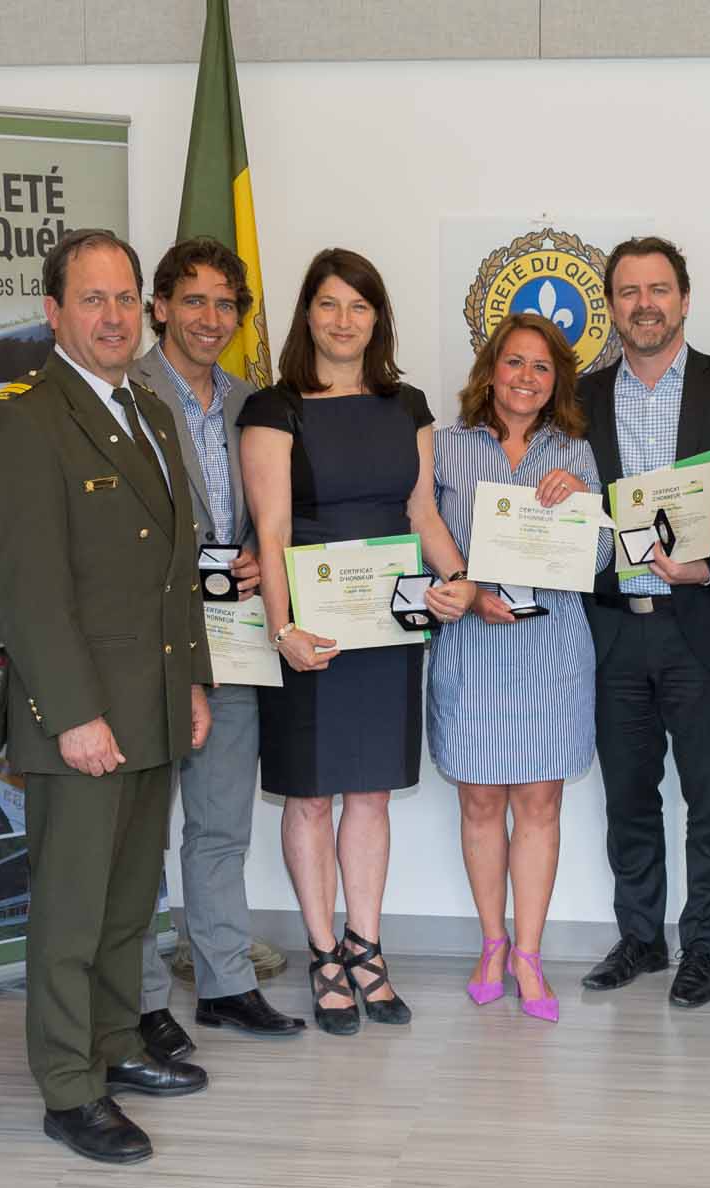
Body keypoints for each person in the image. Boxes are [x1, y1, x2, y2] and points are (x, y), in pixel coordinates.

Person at [0, 228, 214, 1165]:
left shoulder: (149, 410)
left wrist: (190, 678)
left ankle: (114, 1044)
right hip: (82, 713)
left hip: (149, 700)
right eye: (92, 300)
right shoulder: (24, 420)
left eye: (124, 299)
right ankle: (69, 1087)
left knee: (125, 903)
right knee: (71, 910)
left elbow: (174, 570)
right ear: (54, 312)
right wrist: (71, 713)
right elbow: (28, 587)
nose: (112, 317)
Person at [241, 247, 476, 1035]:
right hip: (310, 624)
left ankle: (366, 947)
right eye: (330, 304)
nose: (344, 321)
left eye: (360, 306)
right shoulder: (274, 409)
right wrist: (283, 631)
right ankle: (320, 953)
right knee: (308, 795)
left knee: (371, 793)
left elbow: (421, 514)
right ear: (307, 313)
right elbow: (271, 532)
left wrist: (461, 580)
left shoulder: (406, 404)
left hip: (387, 627)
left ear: (378, 318)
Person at [577, 236, 710, 1009]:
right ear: (612, 306)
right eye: (628, 291)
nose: (645, 304)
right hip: (614, 628)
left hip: (704, 622)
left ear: (685, 298)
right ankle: (640, 936)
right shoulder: (584, 396)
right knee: (629, 795)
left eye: (659, 289)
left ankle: (702, 946)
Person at [129, 236, 304, 1057]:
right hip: (141, 648)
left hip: (231, 644)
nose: (210, 318)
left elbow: (270, 513)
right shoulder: (119, 392)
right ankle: (139, 1000)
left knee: (222, 825)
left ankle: (227, 983)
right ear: (159, 306)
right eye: (192, 300)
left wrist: (251, 557)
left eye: (226, 304)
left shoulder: (253, 402)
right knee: (136, 834)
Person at [431, 313, 610, 1024]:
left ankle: (530, 954)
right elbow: (425, 545)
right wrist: (465, 593)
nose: (526, 378)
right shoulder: (446, 449)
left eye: (541, 367)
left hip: (550, 649)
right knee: (478, 803)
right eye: (514, 362)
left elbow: (598, 562)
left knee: (539, 805)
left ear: (556, 380)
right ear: (490, 370)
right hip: (474, 648)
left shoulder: (576, 453)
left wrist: (581, 509)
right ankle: (492, 943)